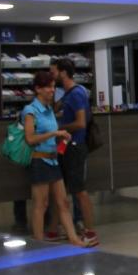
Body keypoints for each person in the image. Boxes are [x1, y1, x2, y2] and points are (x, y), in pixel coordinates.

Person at [22, 70, 93, 247]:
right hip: (39, 161)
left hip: (53, 160)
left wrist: (61, 137)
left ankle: (74, 239)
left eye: (53, 87)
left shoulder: (49, 110)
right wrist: (54, 133)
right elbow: (30, 139)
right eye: (48, 87)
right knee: (41, 204)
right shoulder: (30, 111)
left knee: (63, 202)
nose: (52, 90)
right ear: (38, 89)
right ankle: (39, 242)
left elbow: (52, 134)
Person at [48, 57, 98, 244]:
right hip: (65, 146)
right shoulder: (67, 94)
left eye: (53, 72)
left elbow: (80, 123)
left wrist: (60, 129)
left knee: (79, 190)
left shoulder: (76, 94)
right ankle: (53, 230)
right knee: (59, 190)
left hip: (75, 147)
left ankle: (90, 232)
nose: (51, 76)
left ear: (62, 72)